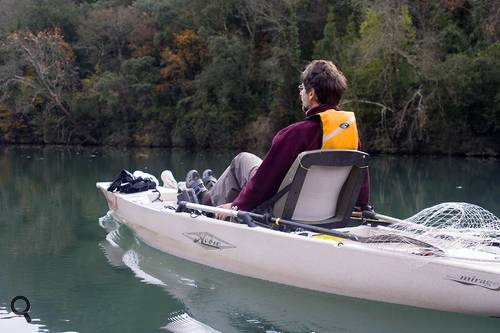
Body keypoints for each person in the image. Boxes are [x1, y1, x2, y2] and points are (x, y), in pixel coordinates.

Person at [186, 60, 370, 219]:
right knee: (247, 162)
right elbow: (361, 182)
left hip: (285, 210)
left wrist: (237, 207)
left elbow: (263, 183)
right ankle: (214, 188)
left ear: (311, 93)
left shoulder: (294, 134)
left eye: (302, 89)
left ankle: (207, 200)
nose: (301, 93)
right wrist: (363, 207)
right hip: (329, 214)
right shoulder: (351, 135)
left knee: (242, 160)